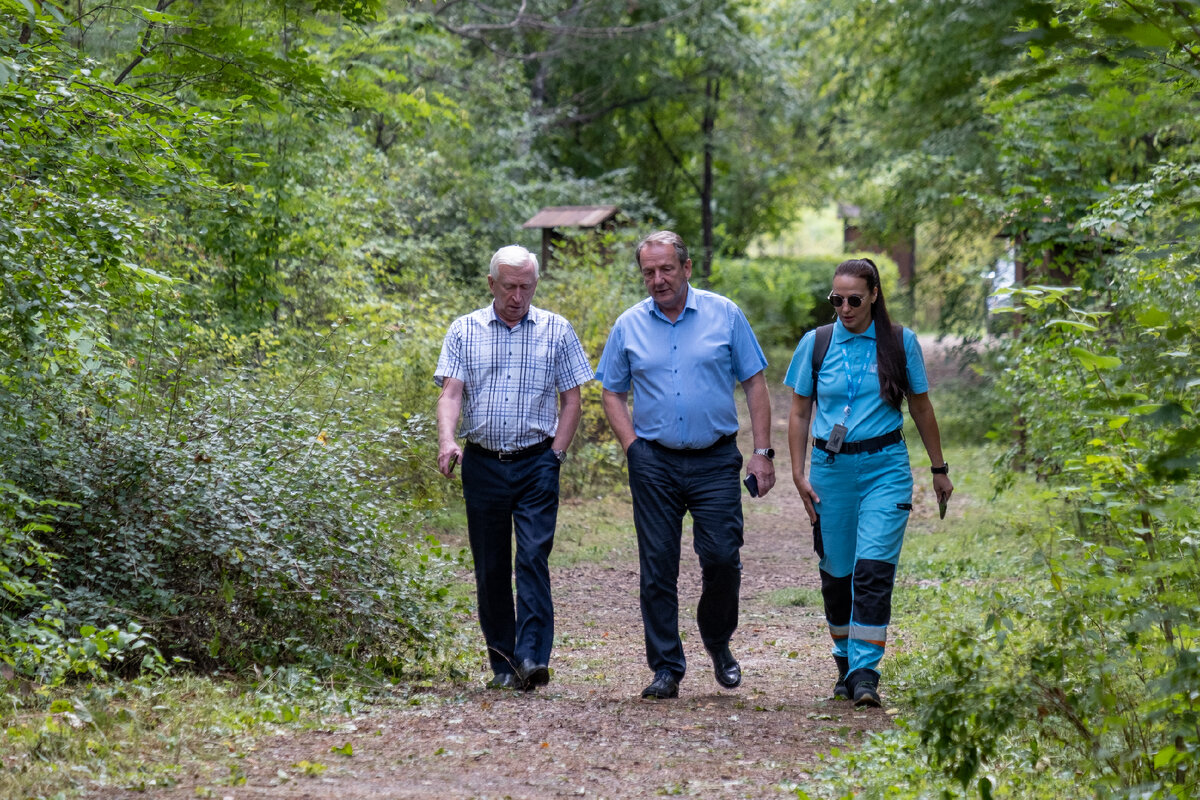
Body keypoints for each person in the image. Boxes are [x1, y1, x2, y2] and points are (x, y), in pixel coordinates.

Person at [595, 230, 776, 700]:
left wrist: (762, 451)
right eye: (648, 272)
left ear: (687, 268)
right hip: (653, 460)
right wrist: (632, 445)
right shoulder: (628, 325)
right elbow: (611, 391)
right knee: (657, 565)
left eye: (666, 269)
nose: (657, 279)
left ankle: (717, 640)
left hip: (715, 459)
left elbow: (755, 384)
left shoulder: (725, 314)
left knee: (721, 558)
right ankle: (666, 667)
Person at [784, 257, 953, 708]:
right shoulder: (816, 344)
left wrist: (939, 468)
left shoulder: (899, 343)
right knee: (837, 574)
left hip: (885, 468)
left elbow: (920, 406)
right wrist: (798, 473)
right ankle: (844, 659)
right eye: (835, 299)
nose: (844, 308)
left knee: (873, 571)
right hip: (831, 471)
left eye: (853, 299)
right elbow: (800, 411)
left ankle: (865, 673)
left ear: (874, 295)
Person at [434, 244, 594, 691]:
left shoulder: (557, 330)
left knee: (532, 558)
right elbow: (451, 394)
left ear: (535, 285)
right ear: (491, 284)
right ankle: (503, 663)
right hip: (482, 462)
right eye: (509, 286)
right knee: (490, 566)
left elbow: (573, 399)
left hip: (536, 462)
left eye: (526, 287)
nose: (517, 296)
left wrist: (556, 456)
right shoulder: (464, 330)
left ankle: (532, 657)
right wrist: (448, 440)